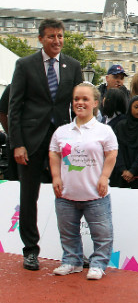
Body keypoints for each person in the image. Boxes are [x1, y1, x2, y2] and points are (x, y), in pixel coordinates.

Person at [9, 18, 83, 270]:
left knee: (70, 195)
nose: (57, 41)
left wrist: (82, 137)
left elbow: (79, 105)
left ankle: (73, 252)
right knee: (29, 197)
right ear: (40, 39)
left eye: (60, 36)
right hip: (31, 142)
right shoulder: (24, 65)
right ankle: (30, 250)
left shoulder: (73, 66)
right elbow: (14, 108)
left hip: (63, 141)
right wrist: (17, 143)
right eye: (51, 36)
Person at [48, 82, 118, 280]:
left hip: (96, 194)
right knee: (67, 232)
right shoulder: (61, 131)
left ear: (95, 102)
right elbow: (54, 154)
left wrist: (104, 177)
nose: (80, 103)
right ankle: (71, 261)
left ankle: (98, 263)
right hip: (66, 194)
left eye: (85, 99)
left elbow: (112, 154)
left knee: (101, 233)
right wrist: (56, 177)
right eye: (76, 99)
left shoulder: (104, 130)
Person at [114, 95, 138, 189]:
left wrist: (132, 171)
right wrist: (123, 170)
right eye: (136, 107)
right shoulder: (121, 126)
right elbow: (116, 148)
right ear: (130, 107)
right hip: (120, 174)